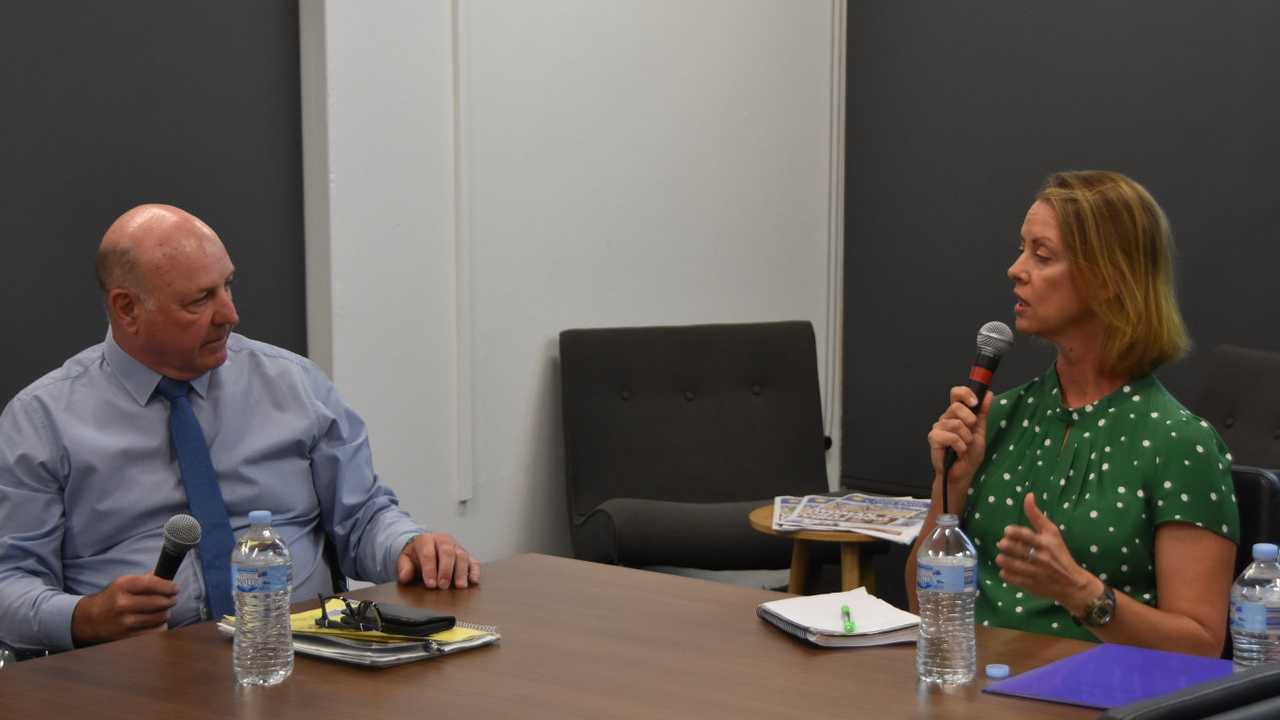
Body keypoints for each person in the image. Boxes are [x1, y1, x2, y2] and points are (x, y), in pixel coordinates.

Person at [0, 204, 478, 652]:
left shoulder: (292, 383)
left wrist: (411, 546)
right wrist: (81, 618)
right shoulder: (43, 421)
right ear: (127, 309)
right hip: (134, 674)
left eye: (227, 286)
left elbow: (364, 518)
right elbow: (10, 584)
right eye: (200, 300)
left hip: (301, 655)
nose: (229, 314)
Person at [904, 171, 1239, 657]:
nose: (1016, 269)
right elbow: (921, 604)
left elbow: (1201, 646)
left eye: (1042, 256)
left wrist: (1083, 594)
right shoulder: (999, 417)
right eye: (1022, 250)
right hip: (968, 690)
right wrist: (949, 484)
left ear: (1109, 280)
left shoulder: (1180, 442)